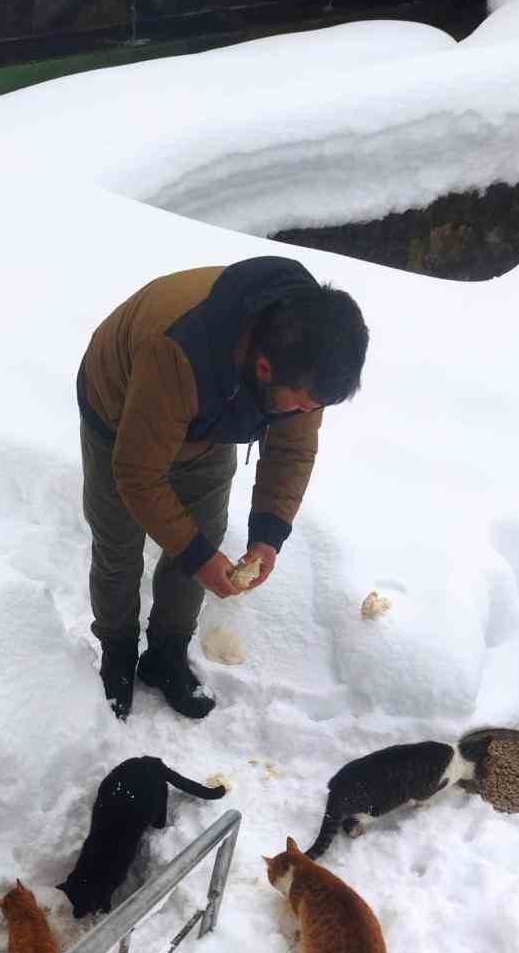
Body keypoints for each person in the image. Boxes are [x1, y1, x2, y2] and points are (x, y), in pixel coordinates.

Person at [77, 256, 368, 719]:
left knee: (201, 534)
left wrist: (268, 536)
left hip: (211, 418)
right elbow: (137, 474)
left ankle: (166, 653)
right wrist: (196, 556)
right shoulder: (177, 349)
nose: (308, 412)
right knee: (119, 542)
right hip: (122, 410)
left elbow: (292, 451)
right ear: (265, 368)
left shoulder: (310, 353)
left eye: (317, 406)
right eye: (304, 404)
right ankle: (117, 652)